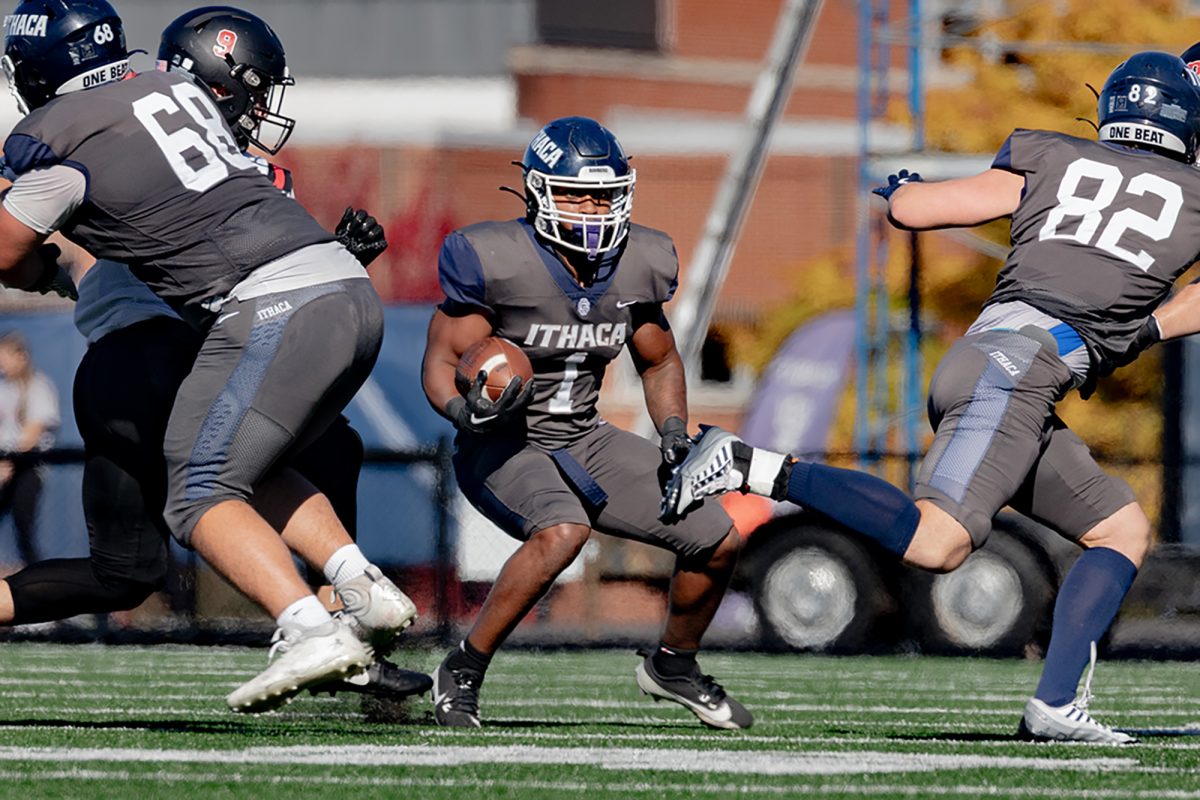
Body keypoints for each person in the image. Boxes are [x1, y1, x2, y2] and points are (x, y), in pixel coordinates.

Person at [662, 51, 1200, 744]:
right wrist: (1146, 327)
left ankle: (1056, 706)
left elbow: (917, 210)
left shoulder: (1054, 157)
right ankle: (749, 465)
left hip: (994, 364)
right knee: (937, 543)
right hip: (1015, 377)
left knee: (1119, 529)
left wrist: (902, 188)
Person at [0, 4, 430, 701]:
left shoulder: (104, 131)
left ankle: (340, 607)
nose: (257, 111)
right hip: (158, 348)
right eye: (249, 94)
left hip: (198, 336)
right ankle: (334, 608)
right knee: (241, 480)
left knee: (135, 561)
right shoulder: (113, 129)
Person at [420, 116, 750, 730]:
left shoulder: (637, 262)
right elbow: (441, 360)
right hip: (505, 440)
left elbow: (658, 358)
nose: (593, 208)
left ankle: (674, 665)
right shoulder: (495, 259)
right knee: (563, 531)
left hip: (583, 433)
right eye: (575, 193)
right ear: (538, 190)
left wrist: (674, 431)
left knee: (716, 535)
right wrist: (462, 410)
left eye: (604, 194)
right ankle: (462, 668)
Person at [0, 331, 57, 564]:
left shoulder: (38, 386)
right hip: (4, 467)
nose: (2, 363)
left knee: (24, 528)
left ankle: (35, 581)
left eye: (5, 357)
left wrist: (10, 464)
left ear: (21, 356)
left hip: (27, 468)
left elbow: (34, 431)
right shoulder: (3, 388)